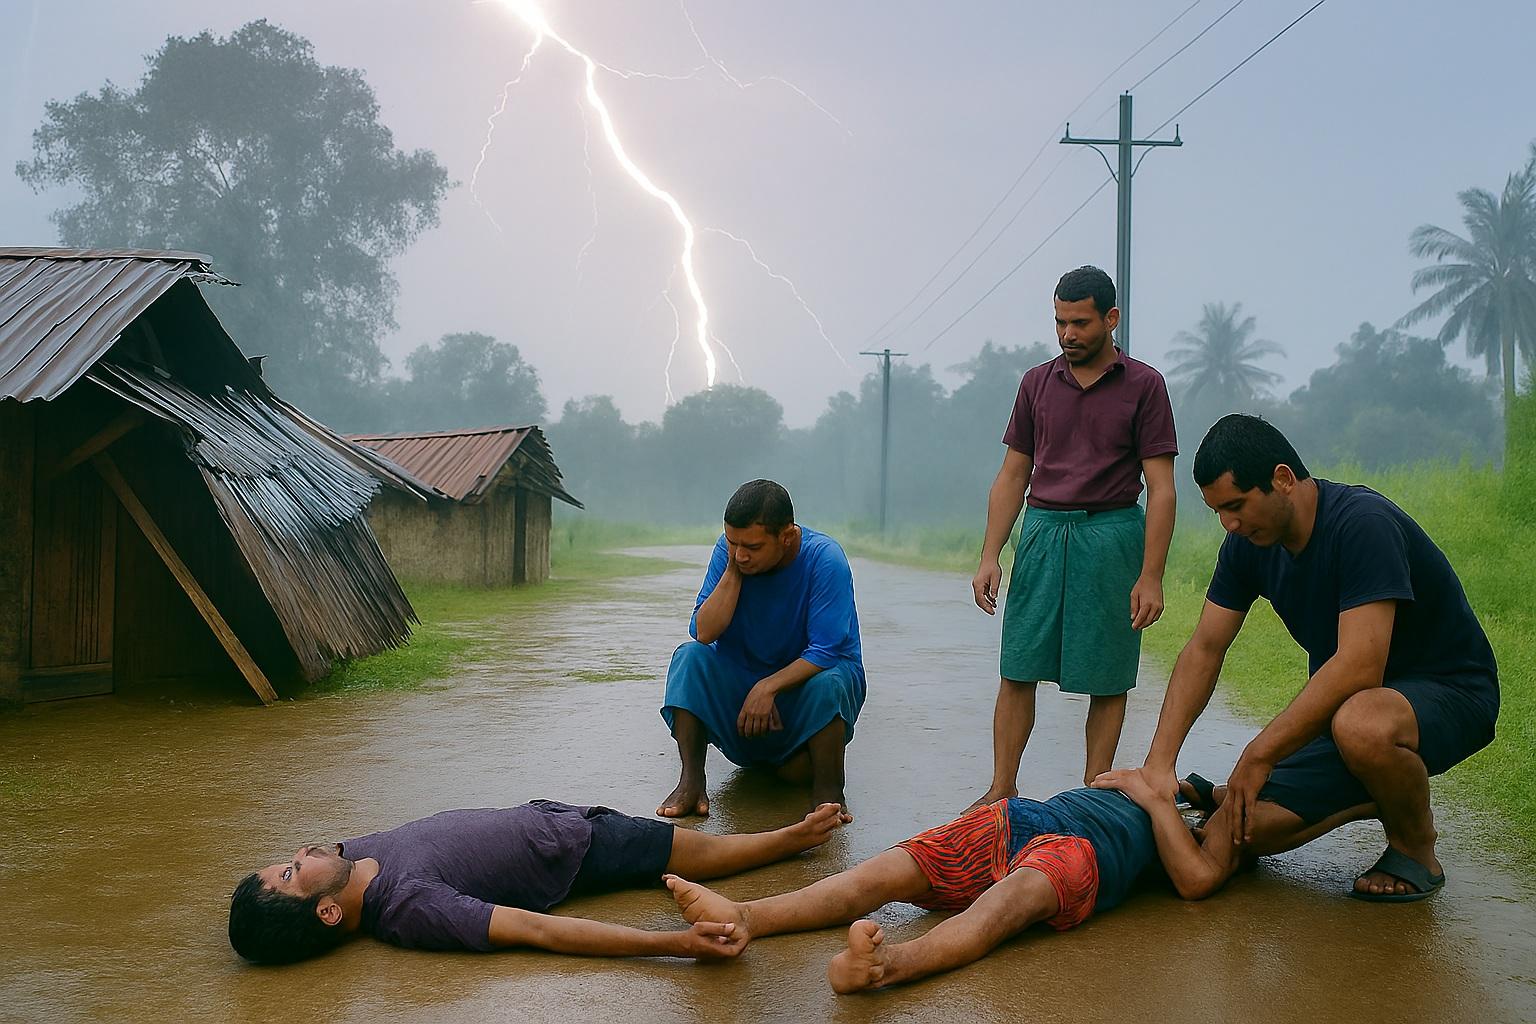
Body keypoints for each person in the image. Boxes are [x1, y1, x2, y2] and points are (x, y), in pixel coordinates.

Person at [1140, 413, 1499, 901]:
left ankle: (1415, 849)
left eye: (1237, 505)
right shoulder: (1246, 546)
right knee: (1244, 831)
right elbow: (1205, 648)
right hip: (1349, 714)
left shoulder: (1362, 524)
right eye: (1218, 512)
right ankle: (1373, 790)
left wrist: (1259, 754)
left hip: (1450, 693)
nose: (1230, 524)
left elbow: (1359, 666)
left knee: (1362, 725)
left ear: (1283, 479)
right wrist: (1158, 767)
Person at [665, 778, 1214, 994]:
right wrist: (1183, 786)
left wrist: (1165, 800)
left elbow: (1197, 879)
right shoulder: (1167, 787)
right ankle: (746, 916)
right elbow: (1124, 781)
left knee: (999, 911)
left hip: (1082, 854)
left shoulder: (1185, 830)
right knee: (882, 871)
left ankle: (890, 965)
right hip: (1020, 817)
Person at [969, 265, 1178, 804]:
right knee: (1018, 663)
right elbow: (1013, 473)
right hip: (1041, 532)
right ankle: (1001, 788)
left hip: (1111, 536)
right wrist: (991, 553)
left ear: (1111, 319)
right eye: (1060, 322)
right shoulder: (1037, 383)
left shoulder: (1145, 386)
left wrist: (1151, 575)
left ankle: (1094, 792)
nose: (1068, 335)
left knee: (1108, 672)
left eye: (1080, 323)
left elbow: (1161, 488)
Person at [227, 799, 850, 964]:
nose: (301, 853)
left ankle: (784, 840)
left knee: (689, 845)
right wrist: (675, 944)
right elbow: (535, 930)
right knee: (701, 852)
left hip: (546, 817)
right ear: (329, 913)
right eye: (290, 871)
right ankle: (785, 842)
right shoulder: (408, 910)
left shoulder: (345, 860)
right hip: (575, 851)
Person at [658, 479, 865, 817]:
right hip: (744, 697)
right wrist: (734, 573)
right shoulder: (732, 557)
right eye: (732, 542)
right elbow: (704, 632)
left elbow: (826, 651)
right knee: (688, 658)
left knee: (832, 681)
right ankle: (691, 782)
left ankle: (829, 792)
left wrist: (767, 687)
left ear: (786, 537)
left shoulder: (826, 559)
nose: (740, 554)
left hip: (801, 693)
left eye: (752, 546)